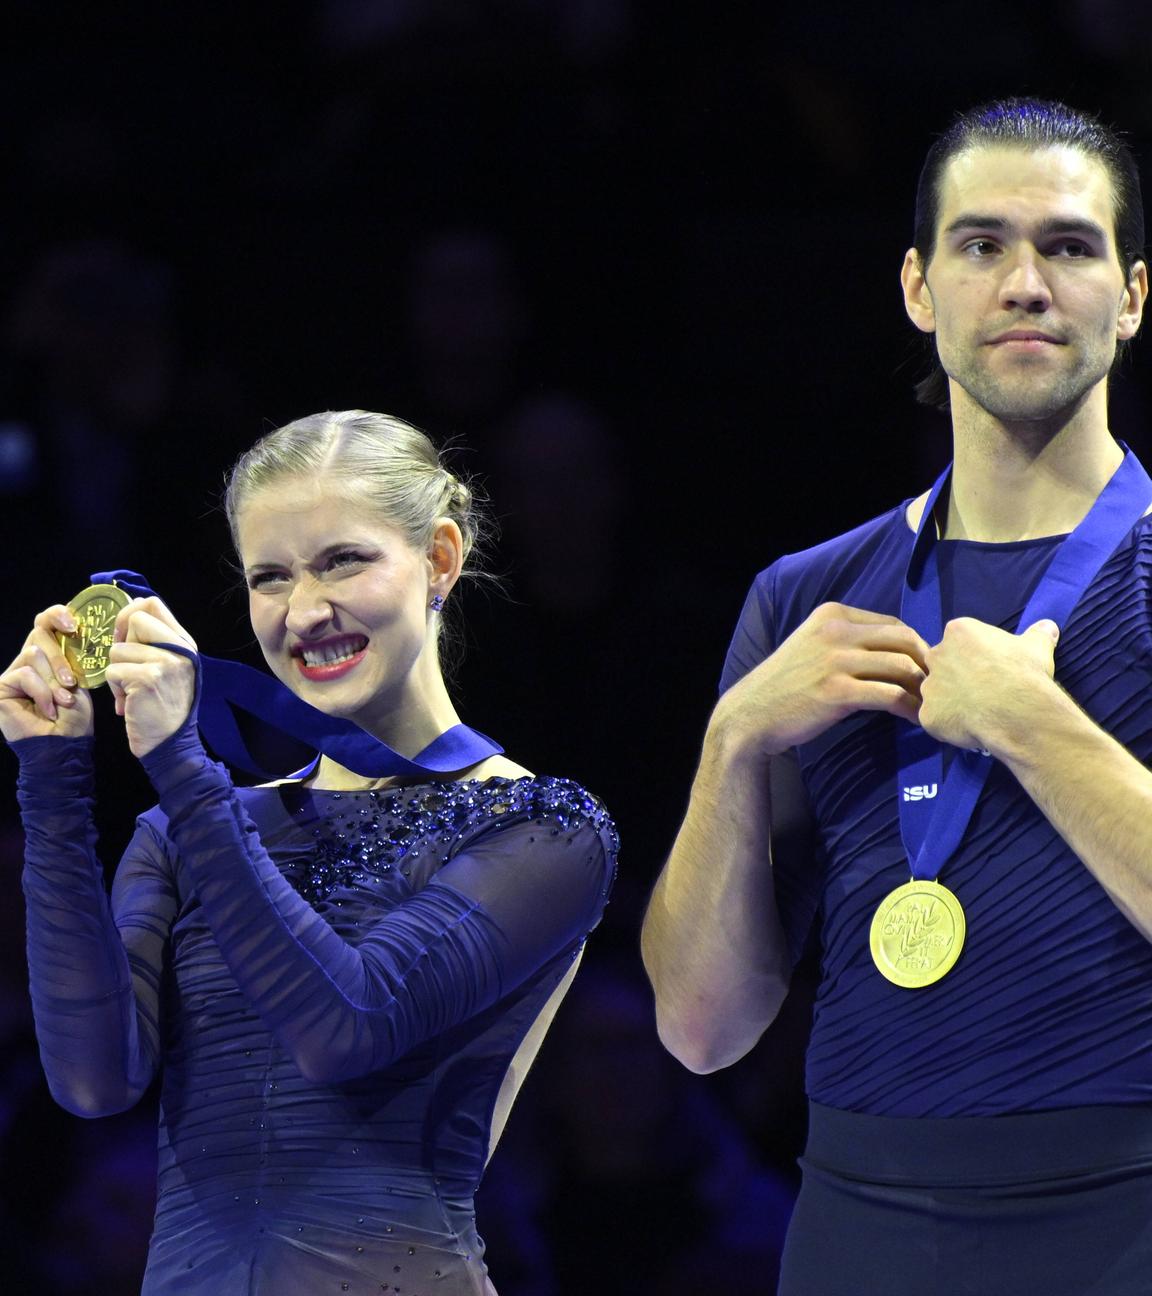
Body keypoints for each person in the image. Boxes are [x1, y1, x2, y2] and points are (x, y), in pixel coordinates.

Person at [642, 97, 1152, 1295]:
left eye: (1070, 246)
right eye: (982, 246)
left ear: (1133, 296)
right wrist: (732, 742)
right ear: (921, 291)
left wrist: (1031, 724)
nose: (1025, 282)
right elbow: (702, 1031)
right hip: (859, 1215)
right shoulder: (805, 600)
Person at [1, 409, 618, 1295]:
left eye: (343, 561)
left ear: (440, 559)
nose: (305, 611)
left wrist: (181, 764)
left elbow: (344, 1029)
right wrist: (52, 782)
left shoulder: (542, 826)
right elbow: (95, 1081)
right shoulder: (182, 829)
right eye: (270, 577)